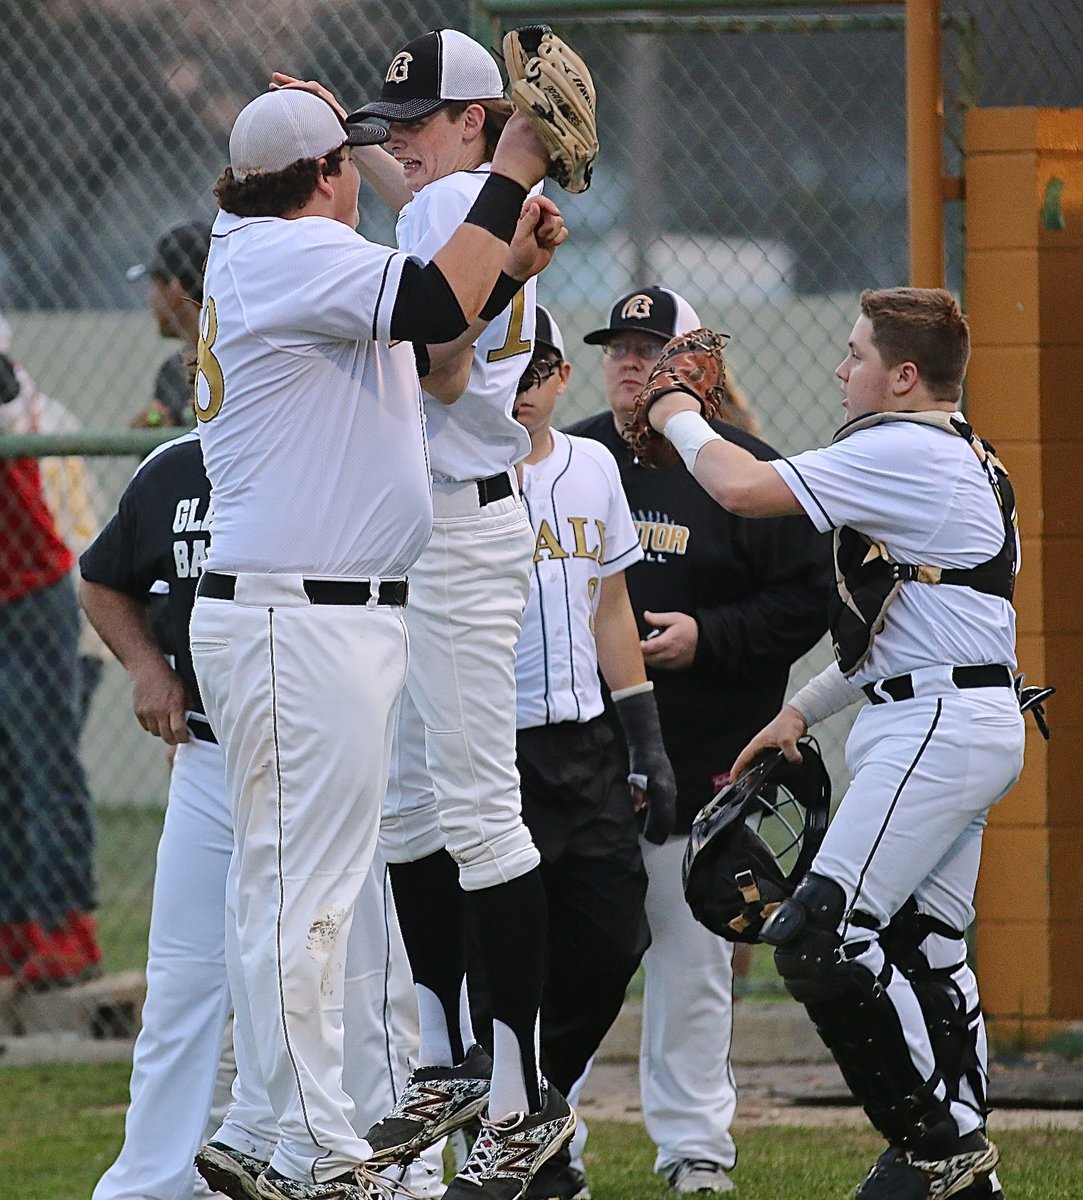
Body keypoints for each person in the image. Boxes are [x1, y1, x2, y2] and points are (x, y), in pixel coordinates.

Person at [187, 81, 567, 1200]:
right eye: (347, 157)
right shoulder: (299, 256)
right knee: (305, 892)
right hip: (296, 617)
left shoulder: (269, 255)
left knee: (280, 886)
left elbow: (444, 356)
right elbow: (441, 297)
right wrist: (515, 161)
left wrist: (513, 273)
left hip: (301, 613)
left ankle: (263, 1124)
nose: (363, 170)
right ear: (321, 178)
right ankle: (321, 1149)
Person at [272, 32, 617, 1200]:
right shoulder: (466, 200)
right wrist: (343, 123)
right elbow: (439, 234)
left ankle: (517, 1103)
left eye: (414, 124)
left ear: (477, 122)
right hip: (443, 523)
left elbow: (438, 366)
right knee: (418, 812)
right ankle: (444, 1059)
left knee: (477, 816)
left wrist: (497, 233)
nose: (393, 144)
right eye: (384, 127)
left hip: (461, 533)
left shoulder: (452, 206)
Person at [647, 286, 1019, 1200]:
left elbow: (738, 487)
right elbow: (912, 623)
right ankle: (958, 1154)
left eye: (854, 354)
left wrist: (675, 411)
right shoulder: (957, 448)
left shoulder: (901, 447)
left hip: (933, 725)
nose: (838, 368)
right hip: (950, 713)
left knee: (821, 936)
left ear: (901, 376)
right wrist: (802, 711)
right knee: (925, 944)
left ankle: (932, 1145)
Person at [80, 430, 441, 1200]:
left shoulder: (334, 451)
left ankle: (392, 1169)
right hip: (210, 757)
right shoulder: (173, 465)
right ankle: (155, 1181)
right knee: (186, 977)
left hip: (330, 751)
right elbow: (102, 578)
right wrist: (149, 669)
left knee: (359, 967)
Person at [567, 285, 831, 1195]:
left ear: (697, 365)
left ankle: (693, 1151)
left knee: (692, 963)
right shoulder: (571, 460)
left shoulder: (744, 471)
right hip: (586, 763)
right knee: (572, 959)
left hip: (704, 756)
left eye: (652, 347)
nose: (631, 363)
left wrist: (705, 637)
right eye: (618, 348)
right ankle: (541, 1142)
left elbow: (803, 602)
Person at [468, 308, 675, 1200]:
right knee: (506, 953)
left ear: (557, 378)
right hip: (486, 740)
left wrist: (646, 740)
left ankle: (530, 1110)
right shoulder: (448, 467)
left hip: (584, 739)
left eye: (535, 368)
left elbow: (610, 609)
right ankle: (528, 1143)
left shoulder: (592, 465)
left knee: (612, 934)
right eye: (501, 368)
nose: (519, 387)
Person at [0, 323, 101, 988]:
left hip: (34, 595)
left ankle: (67, 929)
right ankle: (15, 929)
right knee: (9, 777)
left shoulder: (9, 390)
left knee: (44, 768)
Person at [126, 221, 209, 429]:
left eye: (156, 286)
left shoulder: (231, 359)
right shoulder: (173, 371)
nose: (151, 300)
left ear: (175, 290)